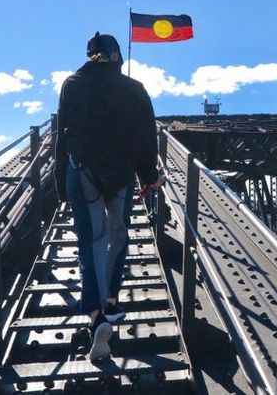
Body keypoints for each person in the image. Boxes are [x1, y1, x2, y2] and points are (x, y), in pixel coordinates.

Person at [54, 32, 164, 362]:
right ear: (117, 56)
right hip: (120, 174)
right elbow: (146, 138)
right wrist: (148, 175)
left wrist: (62, 184)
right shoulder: (135, 89)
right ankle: (112, 301)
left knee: (91, 241)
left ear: (90, 56)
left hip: (82, 170)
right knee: (117, 236)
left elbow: (63, 134)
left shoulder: (72, 84)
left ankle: (95, 314)